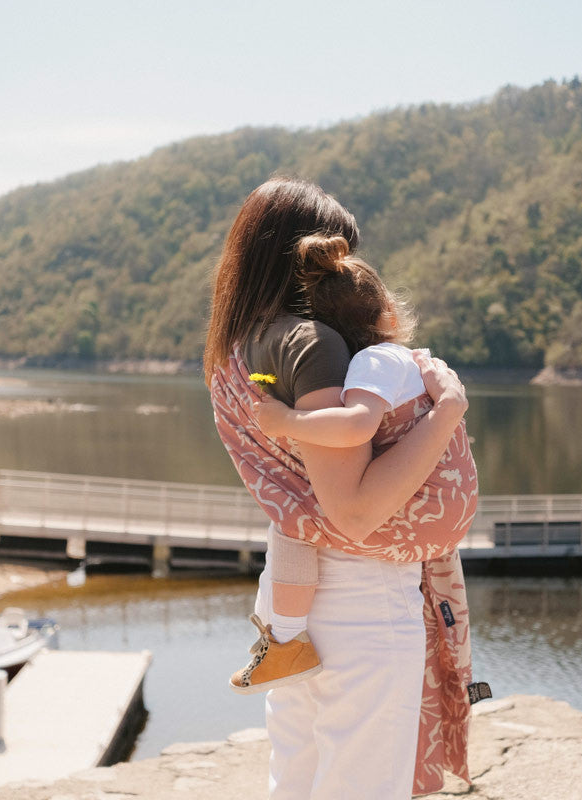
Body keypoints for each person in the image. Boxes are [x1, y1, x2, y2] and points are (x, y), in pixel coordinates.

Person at [205, 176, 485, 799]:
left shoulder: (233, 345)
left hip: (294, 599)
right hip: (360, 597)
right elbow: (354, 510)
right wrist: (447, 412)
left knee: (298, 779)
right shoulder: (314, 345)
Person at [226, 232, 479, 699]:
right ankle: (282, 641)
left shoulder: (372, 362)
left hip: (415, 535)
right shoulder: (408, 359)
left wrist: (288, 420)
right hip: (447, 521)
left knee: (293, 515)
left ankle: (284, 640)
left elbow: (357, 426)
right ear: (390, 314)